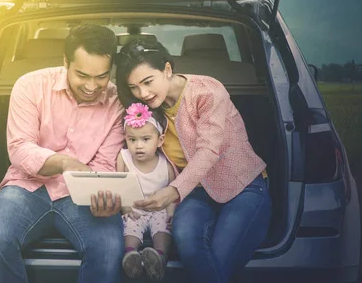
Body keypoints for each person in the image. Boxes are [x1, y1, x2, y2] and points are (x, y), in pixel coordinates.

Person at [115, 38, 272, 283]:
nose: (142, 94)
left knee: (218, 258)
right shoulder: (143, 110)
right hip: (196, 193)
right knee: (187, 242)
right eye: (134, 87)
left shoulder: (207, 91)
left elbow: (209, 149)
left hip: (243, 186)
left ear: (167, 69)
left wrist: (172, 191)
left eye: (147, 82)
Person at [0, 24, 126, 283]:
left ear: (111, 68)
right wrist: (63, 163)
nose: (92, 86)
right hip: (27, 187)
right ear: (65, 62)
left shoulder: (117, 102)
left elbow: (105, 163)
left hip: (83, 195)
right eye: (82, 75)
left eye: (101, 76)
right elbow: (20, 147)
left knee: (110, 247)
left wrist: (104, 195)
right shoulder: (30, 85)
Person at [117, 102, 176, 281]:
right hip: (134, 209)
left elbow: (173, 191)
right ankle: (130, 256)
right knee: (130, 227)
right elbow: (119, 185)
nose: (138, 146)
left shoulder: (166, 163)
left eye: (145, 139)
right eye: (132, 139)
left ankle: (158, 257)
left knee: (162, 229)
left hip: (159, 209)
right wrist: (125, 208)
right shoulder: (124, 157)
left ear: (160, 141)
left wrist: (171, 214)